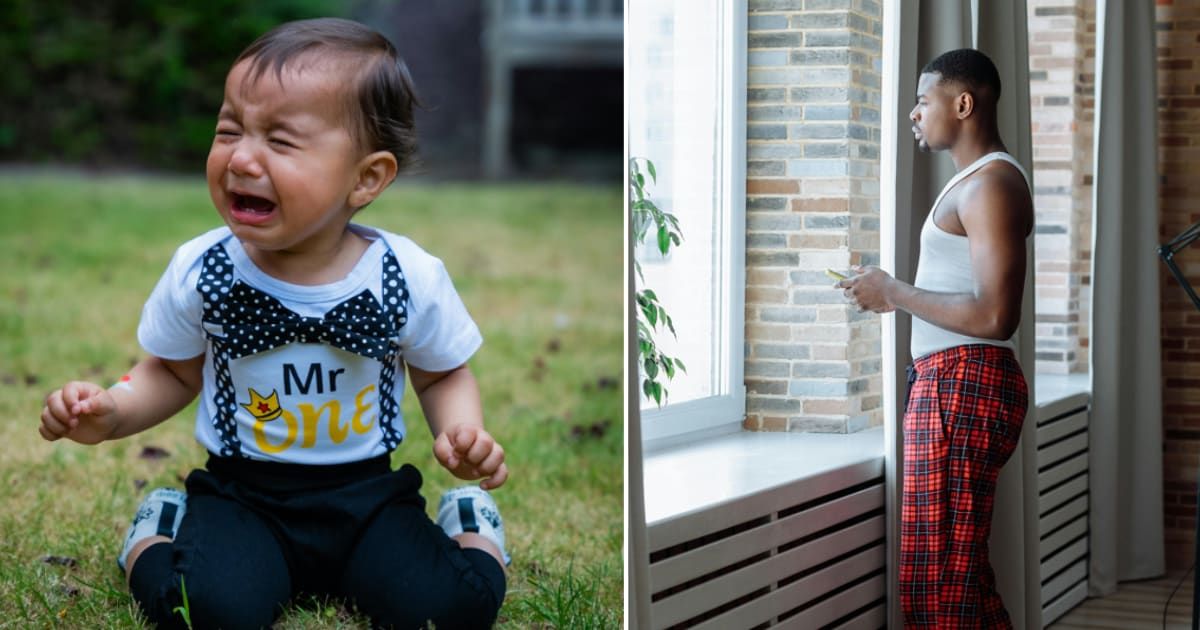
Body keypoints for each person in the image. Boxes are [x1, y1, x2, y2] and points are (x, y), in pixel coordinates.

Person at [38, 18, 509, 629]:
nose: (240, 157)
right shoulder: (205, 272)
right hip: (243, 498)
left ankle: (470, 524)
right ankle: (155, 531)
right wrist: (112, 412)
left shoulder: (406, 275)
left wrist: (462, 434)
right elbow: (173, 373)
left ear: (366, 178)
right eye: (229, 130)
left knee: (449, 610)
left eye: (281, 141)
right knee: (203, 612)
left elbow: (442, 373)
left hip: (368, 498)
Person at [837, 48, 1032, 628]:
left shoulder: (990, 184)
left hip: (963, 385)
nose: (914, 114)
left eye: (924, 101)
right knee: (950, 578)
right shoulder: (976, 183)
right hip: (950, 383)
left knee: (945, 582)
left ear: (963, 104)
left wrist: (893, 292)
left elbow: (996, 316)